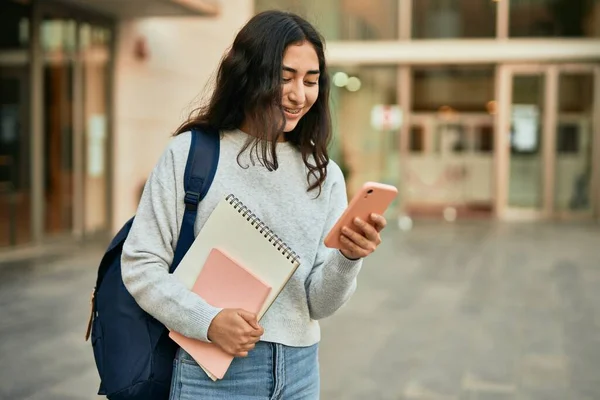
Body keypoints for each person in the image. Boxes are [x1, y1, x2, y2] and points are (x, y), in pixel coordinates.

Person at [121, 10, 389, 400]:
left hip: (299, 373)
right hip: (210, 373)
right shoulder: (191, 155)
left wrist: (347, 259)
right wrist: (209, 321)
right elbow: (141, 264)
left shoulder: (324, 173)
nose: (300, 94)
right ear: (249, 74)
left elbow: (317, 304)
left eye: (311, 81)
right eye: (285, 78)